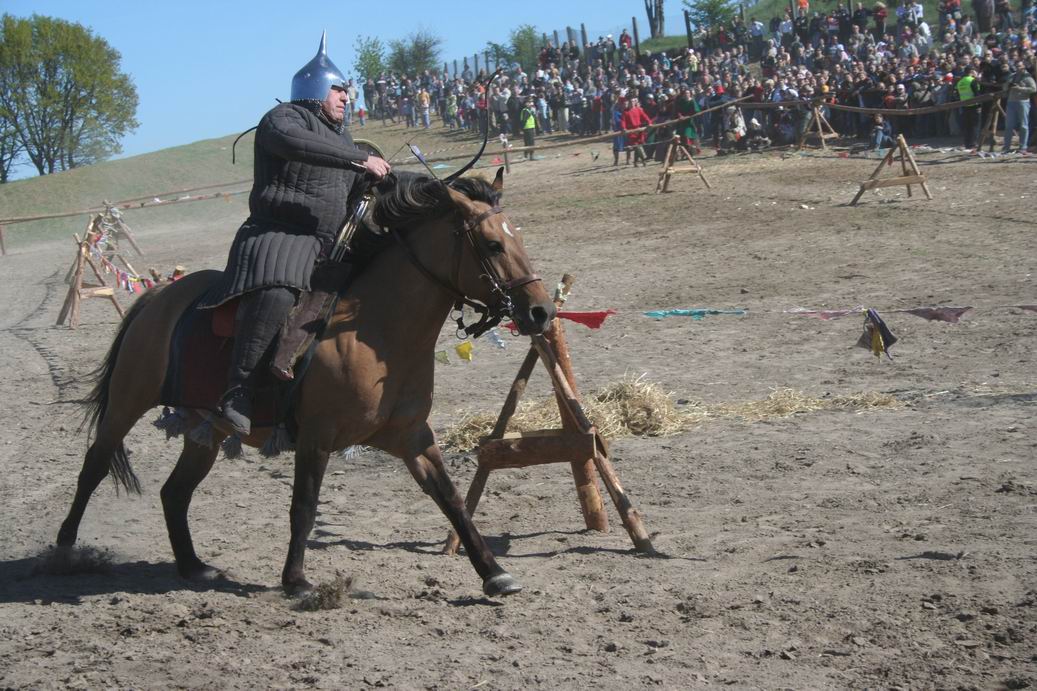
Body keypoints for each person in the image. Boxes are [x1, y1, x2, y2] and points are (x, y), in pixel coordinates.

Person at [201, 33, 391, 436]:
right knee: (278, 292)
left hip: (325, 245)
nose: (346, 97)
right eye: (338, 90)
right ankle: (238, 391)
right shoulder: (284, 118)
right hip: (278, 236)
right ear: (316, 88)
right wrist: (360, 158)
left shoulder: (343, 139)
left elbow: (348, 187)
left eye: (346, 91)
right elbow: (296, 144)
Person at [1002, 61, 1036, 152]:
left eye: (1019, 66)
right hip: (1011, 101)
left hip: (1023, 102)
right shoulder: (1012, 76)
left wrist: (1020, 88)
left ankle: (1023, 147)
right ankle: (1006, 147)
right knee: (1009, 125)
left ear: (1023, 66)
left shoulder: (1027, 77)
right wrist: (1008, 85)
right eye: (1016, 66)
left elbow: (1034, 89)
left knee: (1023, 125)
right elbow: (1004, 88)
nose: (1017, 68)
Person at [956, 66, 982, 149]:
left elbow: (957, 94)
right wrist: (980, 105)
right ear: (971, 71)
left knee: (967, 126)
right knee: (974, 126)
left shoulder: (960, 82)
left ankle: (967, 143)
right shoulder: (972, 80)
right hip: (974, 105)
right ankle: (973, 143)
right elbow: (977, 94)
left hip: (964, 106)